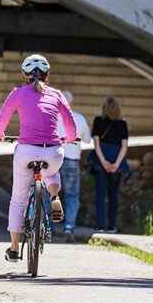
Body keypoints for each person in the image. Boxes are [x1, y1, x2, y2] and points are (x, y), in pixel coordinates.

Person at [0, 54, 77, 263]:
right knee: (51, 172)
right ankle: (55, 197)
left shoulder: (18, 93)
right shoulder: (57, 94)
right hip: (54, 152)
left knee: (18, 199)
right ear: (47, 75)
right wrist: (71, 137)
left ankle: (13, 249)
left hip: (27, 150)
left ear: (24, 75)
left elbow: (3, 116)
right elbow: (69, 120)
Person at [88, 96, 129, 233]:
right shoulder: (122, 124)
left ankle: (100, 226)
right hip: (117, 160)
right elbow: (124, 146)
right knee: (113, 195)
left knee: (100, 195)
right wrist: (116, 164)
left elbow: (96, 144)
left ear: (104, 108)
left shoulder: (98, 121)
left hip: (101, 161)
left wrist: (103, 161)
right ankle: (112, 226)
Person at [56, 90, 92, 242]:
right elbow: (88, 140)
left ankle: (46, 226)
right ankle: (69, 227)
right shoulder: (79, 118)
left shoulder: (51, 118)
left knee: (50, 194)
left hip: (53, 160)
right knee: (72, 196)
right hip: (71, 160)